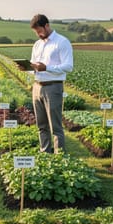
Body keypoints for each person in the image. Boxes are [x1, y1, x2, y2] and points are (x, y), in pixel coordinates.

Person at [29, 13, 73, 153]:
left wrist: (46, 67)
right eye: (36, 32)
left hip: (53, 87)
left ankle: (59, 157)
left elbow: (68, 66)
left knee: (55, 126)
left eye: (40, 31)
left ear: (47, 25)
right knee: (41, 125)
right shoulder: (37, 45)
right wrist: (27, 68)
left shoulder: (62, 42)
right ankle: (45, 154)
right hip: (37, 86)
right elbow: (34, 66)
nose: (38, 34)